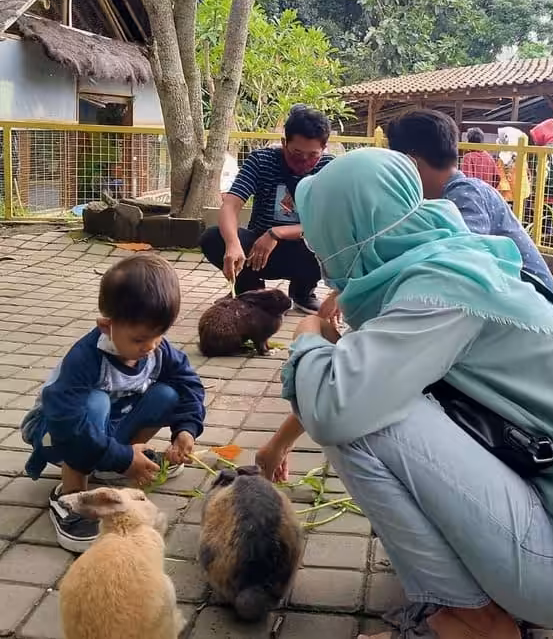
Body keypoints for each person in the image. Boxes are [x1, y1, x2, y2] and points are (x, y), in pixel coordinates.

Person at [256, 148, 553, 639]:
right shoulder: (446, 261)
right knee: (357, 391)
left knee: (353, 416)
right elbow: (362, 370)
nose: (322, 259)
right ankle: (469, 603)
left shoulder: (439, 290)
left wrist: (305, 342)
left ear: (352, 232)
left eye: (324, 241)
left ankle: (474, 621)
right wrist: (279, 440)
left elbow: (338, 404)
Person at [20, 254, 206, 553]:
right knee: (94, 403)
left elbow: (189, 385)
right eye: (139, 339)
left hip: (104, 430)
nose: (150, 347)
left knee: (168, 394)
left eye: (159, 336)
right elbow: (67, 423)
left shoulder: (156, 348)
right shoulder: (84, 359)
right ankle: (72, 497)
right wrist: (121, 456)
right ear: (106, 326)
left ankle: (114, 465)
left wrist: (185, 429)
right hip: (56, 433)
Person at [386, 110, 553, 292]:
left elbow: (461, 255)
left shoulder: (464, 194)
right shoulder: (454, 194)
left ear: (411, 164)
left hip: (535, 301)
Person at [200, 105, 334, 314]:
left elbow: (327, 223)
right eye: (297, 153)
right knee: (212, 237)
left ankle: (303, 293)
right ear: (284, 143)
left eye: (313, 155)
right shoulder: (261, 160)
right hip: (258, 251)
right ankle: (251, 291)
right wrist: (233, 244)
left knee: (332, 243)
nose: (304, 163)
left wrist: (277, 233)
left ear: (324, 149)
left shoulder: (330, 168)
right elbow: (231, 205)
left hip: (304, 250)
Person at [496, 125, 531, 206]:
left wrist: (503, 189)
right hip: (521, 192)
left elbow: (501, 175)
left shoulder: (503, 158)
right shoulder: (522, 157)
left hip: (510, 194)